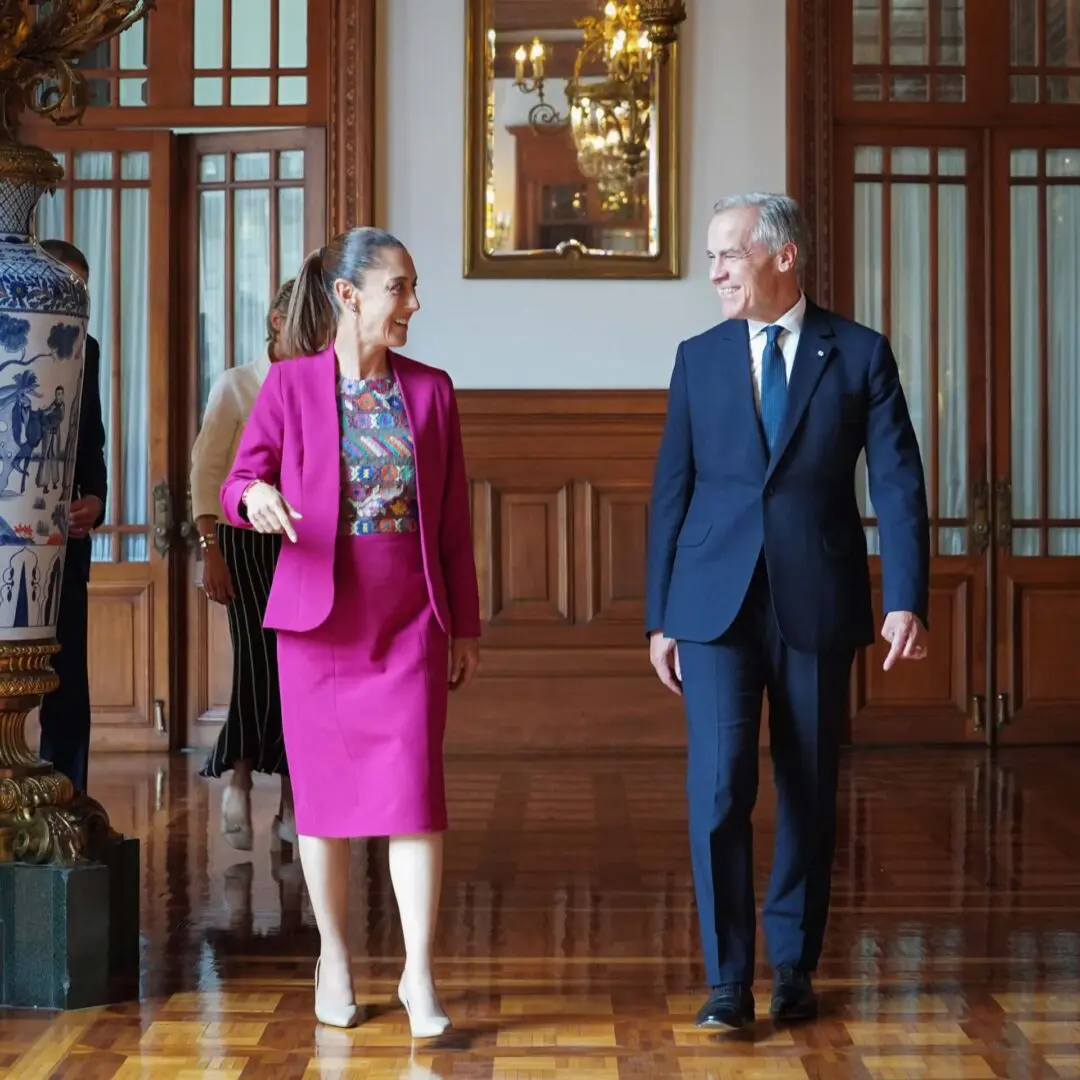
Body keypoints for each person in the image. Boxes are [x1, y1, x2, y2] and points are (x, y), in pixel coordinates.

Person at [645, 193, 930, 1030]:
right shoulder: (698, 358)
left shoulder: (860, 354)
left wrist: (905, 596)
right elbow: (671, 491)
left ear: (783, 257)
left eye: (728, 255)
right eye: (708, 258)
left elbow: (900, 484)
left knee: (807, 789)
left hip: (818, 600)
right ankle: (728, 980)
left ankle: (794, 965)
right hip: (713, 608)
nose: (715, 273)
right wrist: (660, 615)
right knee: (718, 791)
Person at [220, 227, 481, 1035]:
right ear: (349, 295)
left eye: (412, 286)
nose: (414, 302)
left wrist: (463, 624)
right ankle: (334, 959)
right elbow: (238, 481)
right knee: (327, 807)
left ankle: (418, 974)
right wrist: (253, 501)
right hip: (318, 625)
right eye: (399, 286)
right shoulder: (290, 387)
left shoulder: (433, 391)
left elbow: (453, 521)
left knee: (415, 801)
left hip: (408, 619)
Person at [190, 279, 297, 852]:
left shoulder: (321, 382)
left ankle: (289, 803)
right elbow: (206, 472)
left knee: (297, 668)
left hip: (302, 542)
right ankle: (237, 776)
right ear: (277, 321)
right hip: (242, 541)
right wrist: (209, 548)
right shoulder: (236, 384)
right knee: (259, 661)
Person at [37, 239, 107, 794]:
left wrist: (98, 500)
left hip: (69, 542)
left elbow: (92, 443)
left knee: (67, 680)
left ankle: (68, 798)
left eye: (81, 290)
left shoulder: (91, 348)